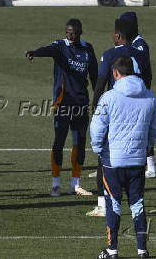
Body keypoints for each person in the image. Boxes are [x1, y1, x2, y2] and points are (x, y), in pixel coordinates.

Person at [91, 56, 156, 259]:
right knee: (137, 203)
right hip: (138, 160)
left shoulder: (109, 97)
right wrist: (147, 146)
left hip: (113, 160)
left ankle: (112, 250)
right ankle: (142, 250)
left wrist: (97, 147)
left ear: (115, 73)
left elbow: (97, 127)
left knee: (113, 203)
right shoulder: (150, 96)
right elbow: (155, 128)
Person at [87, 17, 151, 217]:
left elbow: (100, 84)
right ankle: (135, 206)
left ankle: (103, 205)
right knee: (135, 157)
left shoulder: (111, 54)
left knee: (104, 157)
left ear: (117, 35)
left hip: (115, 111)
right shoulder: (141, 55)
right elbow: (148, 80)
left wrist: (95, 110)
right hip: (139, 109)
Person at [26, 18, 98, 196]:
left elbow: (95, 76)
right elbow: (47, 50)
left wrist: (98, 99)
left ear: (80, 32)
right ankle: (56, 183)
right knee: (59, 141)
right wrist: (35, 52)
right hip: (62, 104)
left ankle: (75, 183)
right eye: (67, 32)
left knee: (79, 142)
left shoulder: (88, 49)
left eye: (73, 32)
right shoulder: (60, 46)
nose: (70, 35)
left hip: (81, 104)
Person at [120, 12, 156, 178]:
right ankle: (113, 164)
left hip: (138, 95)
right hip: (129, 94)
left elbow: (141, 69)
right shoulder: (129, 43)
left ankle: (151, 167)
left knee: (142, 129)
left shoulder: (140, 44)